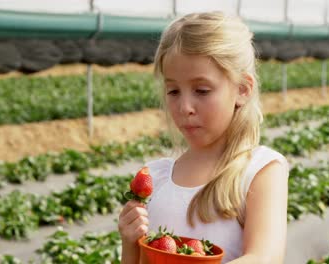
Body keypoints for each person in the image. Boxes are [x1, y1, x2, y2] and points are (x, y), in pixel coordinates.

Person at [118, 11, 289, 264]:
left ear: (242, 89)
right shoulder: (155, 178)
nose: (185, 106)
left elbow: (265, 257)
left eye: (202, 90)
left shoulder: (260, 171)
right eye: (173, 91)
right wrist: (130, 243)